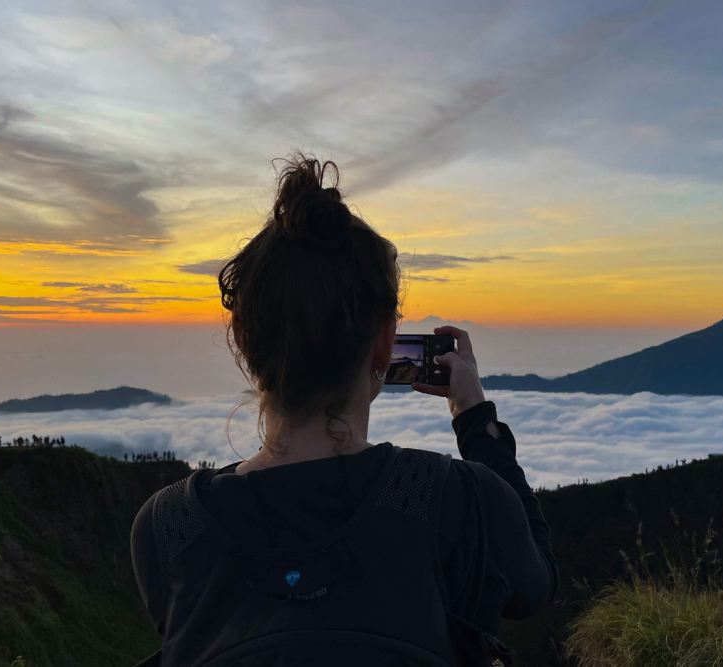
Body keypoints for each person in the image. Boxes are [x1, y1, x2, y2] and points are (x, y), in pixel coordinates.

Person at [130, 154, 557, 667]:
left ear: (244, 341)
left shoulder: (168, 528)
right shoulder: (459, 502)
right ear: (384, 343)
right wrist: (474, 417)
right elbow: (534, 587)